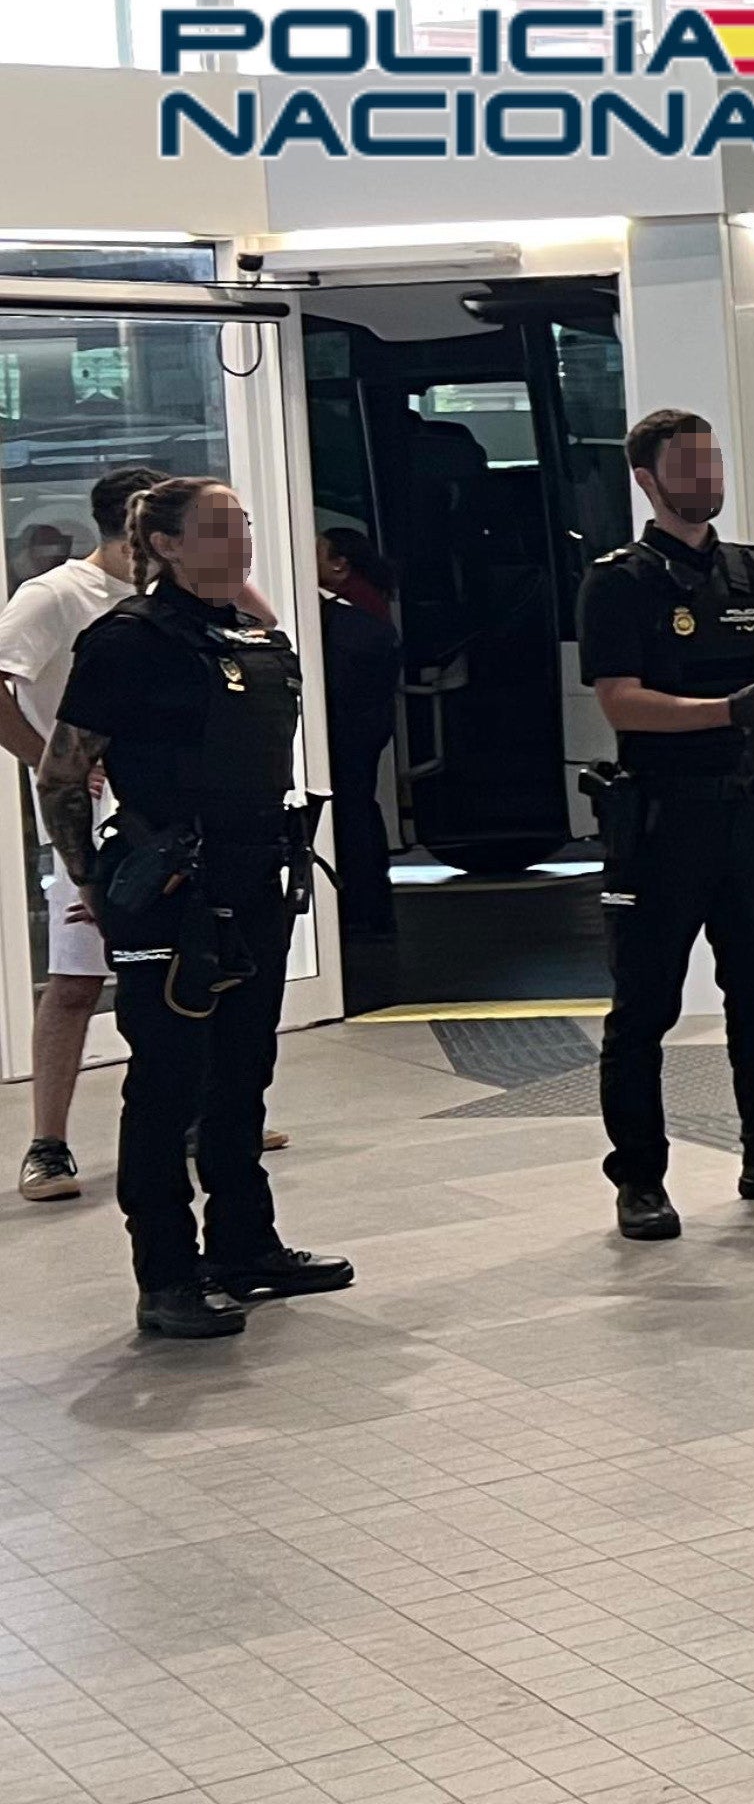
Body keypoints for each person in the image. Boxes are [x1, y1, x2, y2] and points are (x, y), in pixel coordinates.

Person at [39, 479, 349, 1340]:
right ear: (165, 544)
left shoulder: (249, 635)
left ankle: (245, 1245)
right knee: (169, 1081)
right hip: (169, 886)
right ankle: (167, 1275)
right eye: (216, 529)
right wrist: (94, 886)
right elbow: (63, 774)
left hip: (253, 874)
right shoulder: (128, 640)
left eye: (242, 527)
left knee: (243, 1073)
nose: (238, 542)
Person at [579, 410, 754, 1241]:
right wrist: (725, 711)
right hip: (659, 822)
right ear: (647, 478)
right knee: (643, 1008)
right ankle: (640, 1179)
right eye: (688, 463)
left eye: (711, 460)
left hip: (744, 814)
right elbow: (621, 701)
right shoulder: (620, 580)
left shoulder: (752, 569)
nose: (706, 475)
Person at [2, 468, 161, 1202]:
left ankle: (199, 1112)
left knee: (182, 969)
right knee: (76, 979)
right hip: (95, 821)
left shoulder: (166, 598)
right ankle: (48, 1144)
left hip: (166, 810)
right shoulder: (55, 595)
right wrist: (53, 761)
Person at [315, 530, 402, 941]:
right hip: (368, 722)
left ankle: (360, 907)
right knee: (359, 807)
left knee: (350, 811)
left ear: (339, 564)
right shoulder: (369, 606)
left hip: (351, 724)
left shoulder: (341, 614)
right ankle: (371, 906)